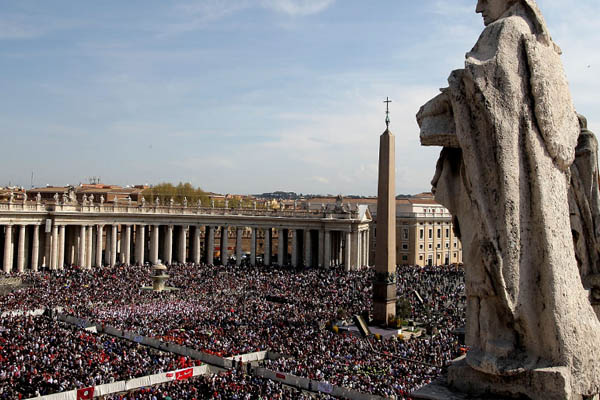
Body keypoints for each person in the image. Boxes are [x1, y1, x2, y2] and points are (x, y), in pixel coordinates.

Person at [417, 0, 600, 396]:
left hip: (502, 196)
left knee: (491, 266)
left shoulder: (504, 34)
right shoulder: (542, 44)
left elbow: (482, 99)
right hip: (538, 194)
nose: (479, 6)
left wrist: (447, 100)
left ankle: (498, 352)